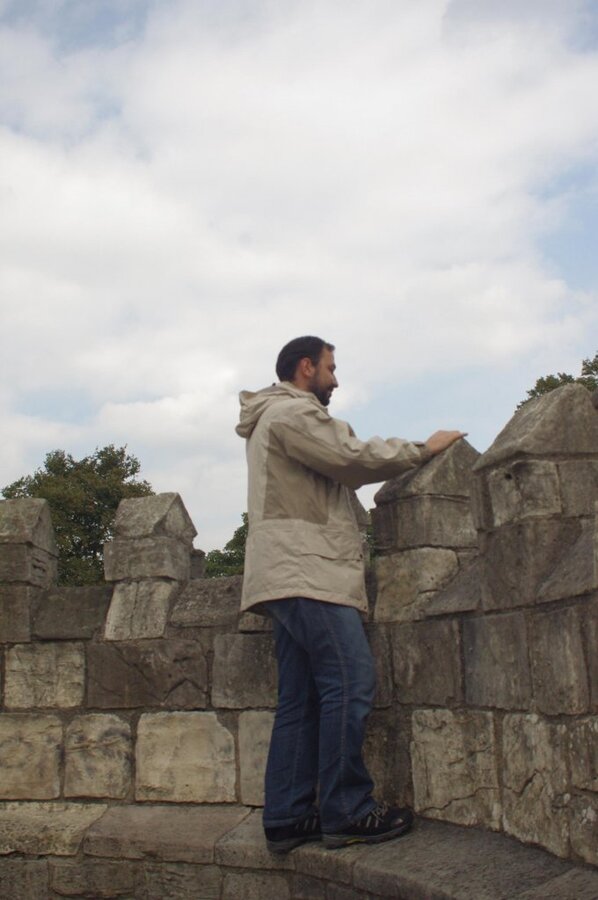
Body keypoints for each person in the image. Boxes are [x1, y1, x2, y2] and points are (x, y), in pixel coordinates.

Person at [236, 336, 465, 852]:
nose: (335, 379)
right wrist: (423, 450)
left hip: (286, 574)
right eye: (331, 368)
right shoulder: (292, 413)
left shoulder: (268, 418)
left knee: (300, 698)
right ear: (306, 367)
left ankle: (288, 817)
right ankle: (347, 810)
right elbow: (349, 457)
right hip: (307, 570)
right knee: (350, 680)